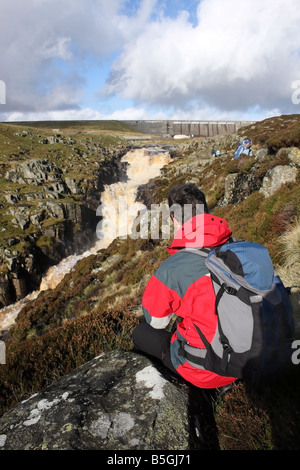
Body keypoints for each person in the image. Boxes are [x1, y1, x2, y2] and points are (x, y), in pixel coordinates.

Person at [132, 183, 237, 390]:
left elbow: (156, 321)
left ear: (174, 218)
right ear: (206, 212)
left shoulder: (172, 268)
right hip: (253, 353)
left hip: (208, 370)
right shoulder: (238, 246)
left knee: (141, 333)